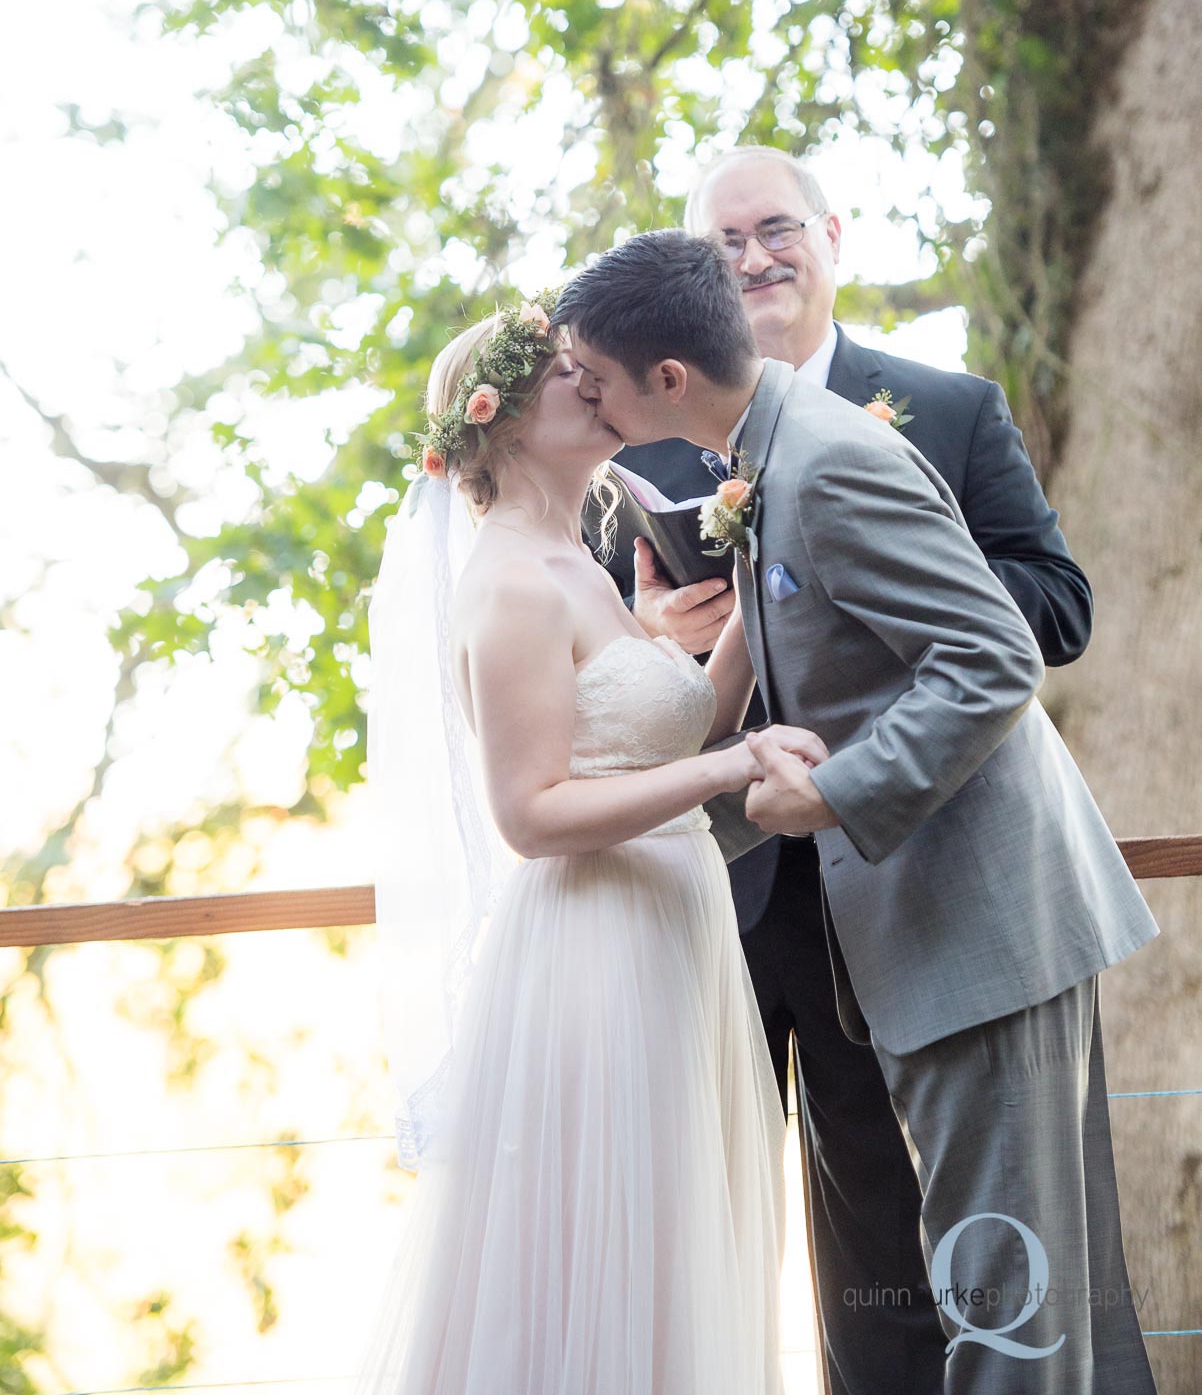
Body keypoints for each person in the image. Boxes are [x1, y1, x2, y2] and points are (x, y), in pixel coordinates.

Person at [555, 230, 1159, 1395]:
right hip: (946, 932)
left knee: (1007, 1306)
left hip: (984, 932)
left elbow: (991, 656)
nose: (583, 393)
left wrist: (831, 791)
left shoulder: (824, 461)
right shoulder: (769, 455)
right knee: (1051, 1307)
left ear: (664, 382)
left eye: (593, 374)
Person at [355, 296, 800, 1395]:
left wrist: (758, 561)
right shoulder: (507, 578)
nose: (594, 378)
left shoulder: (582, 564)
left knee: (674, 1253)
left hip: (668, 926)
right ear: (496, 419)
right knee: (606, 1258)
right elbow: (532, 814)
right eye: (567, 370)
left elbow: (679, 722)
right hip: (593, 952)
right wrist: (732, 769)